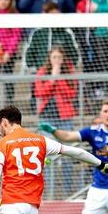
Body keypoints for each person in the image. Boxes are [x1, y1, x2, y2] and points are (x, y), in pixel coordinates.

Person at [34, 46, 78, 195]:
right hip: (47, 116)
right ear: (49, 58)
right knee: (46, 156)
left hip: (65, 118)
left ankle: (67, 193)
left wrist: (58, 77)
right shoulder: (42, 72)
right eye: (54, 57)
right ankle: (46, 192)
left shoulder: (69, 72)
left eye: (59, 57)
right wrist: (52, 78)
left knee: (67, 156)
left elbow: (71, 94)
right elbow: (40, 92)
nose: (57, 60)